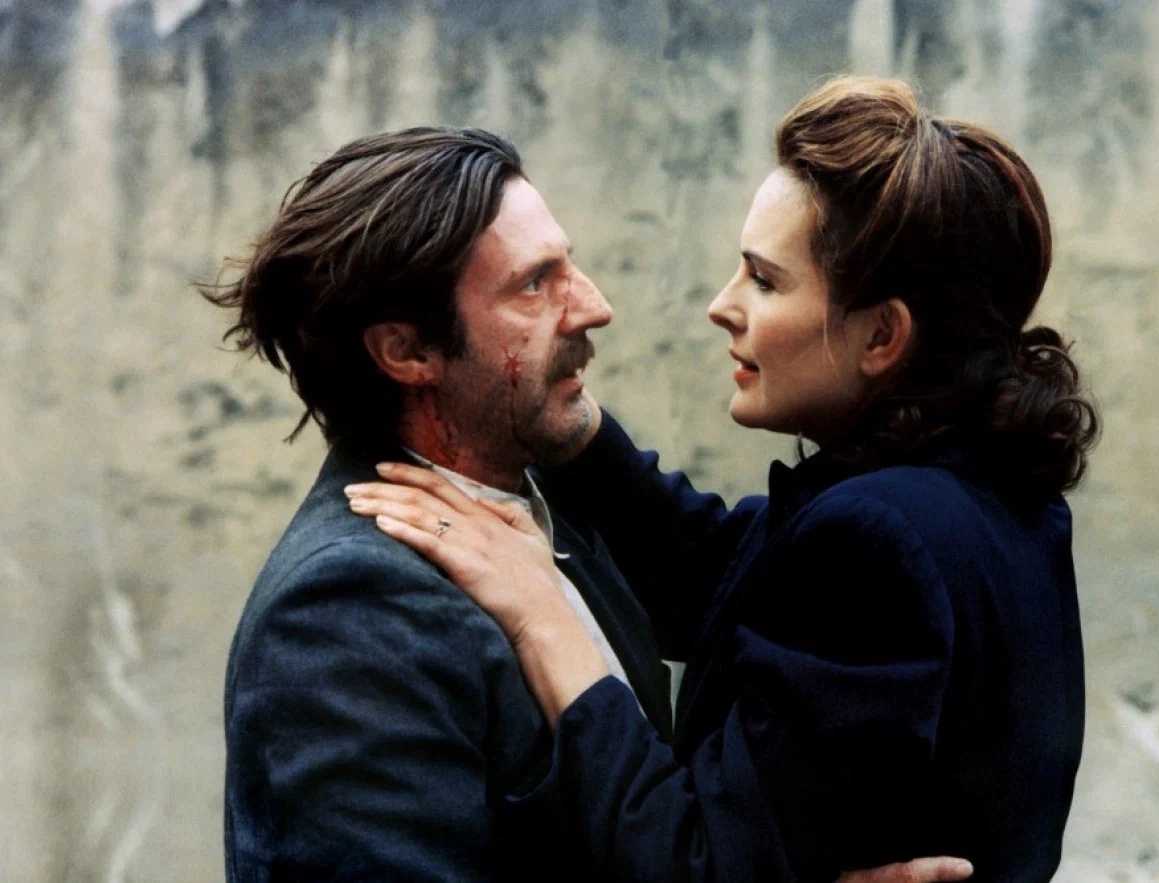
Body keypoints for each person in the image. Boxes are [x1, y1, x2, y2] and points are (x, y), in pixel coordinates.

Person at [348, 77, 1097, 881]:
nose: (721, 305)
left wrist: (542, 619)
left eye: (764, 281)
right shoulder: (987, 494)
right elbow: (724, 580)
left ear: (882, 335)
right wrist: (562, 418)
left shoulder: (880, 535)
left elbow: (696, 863)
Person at [206, 126, 967, 882]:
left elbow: (716, 578)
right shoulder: (347, 611)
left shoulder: (545, 518)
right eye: (534, 285)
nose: (594, 308)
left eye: (569, 266)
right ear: (408, 352)